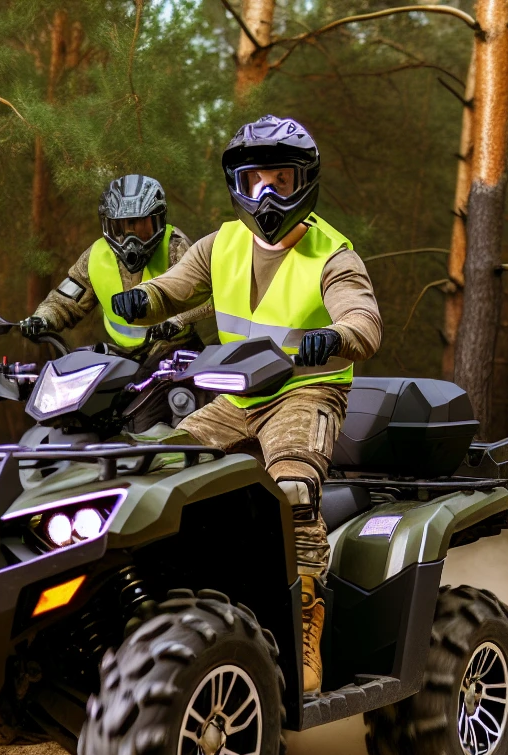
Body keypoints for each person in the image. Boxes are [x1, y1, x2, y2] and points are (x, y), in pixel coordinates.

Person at [109, 115, 382, 694]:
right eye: (253, 179)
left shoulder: (333, 254)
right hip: (235, 395)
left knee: (293, 489)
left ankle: (307, 617)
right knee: (153, 467)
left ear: (302, 181)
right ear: (236, 182)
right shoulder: (221, 245)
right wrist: (141, 300)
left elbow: (365, 320)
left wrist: (334, 337)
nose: (266, 195)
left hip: (306, 392)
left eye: (279, 181)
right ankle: (158, 603)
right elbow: (175, 287)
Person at [19, 174, 211, 365]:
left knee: (196, 394)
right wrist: (42, 319)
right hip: (121, 357)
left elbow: (206, 293)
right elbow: (64, 301)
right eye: (122, 228)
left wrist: (178, 320)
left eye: (143, 227)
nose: (132, 240)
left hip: (176, 352)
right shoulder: (94, 257)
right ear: (107, 225)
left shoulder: (176, 247)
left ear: (159, 221)